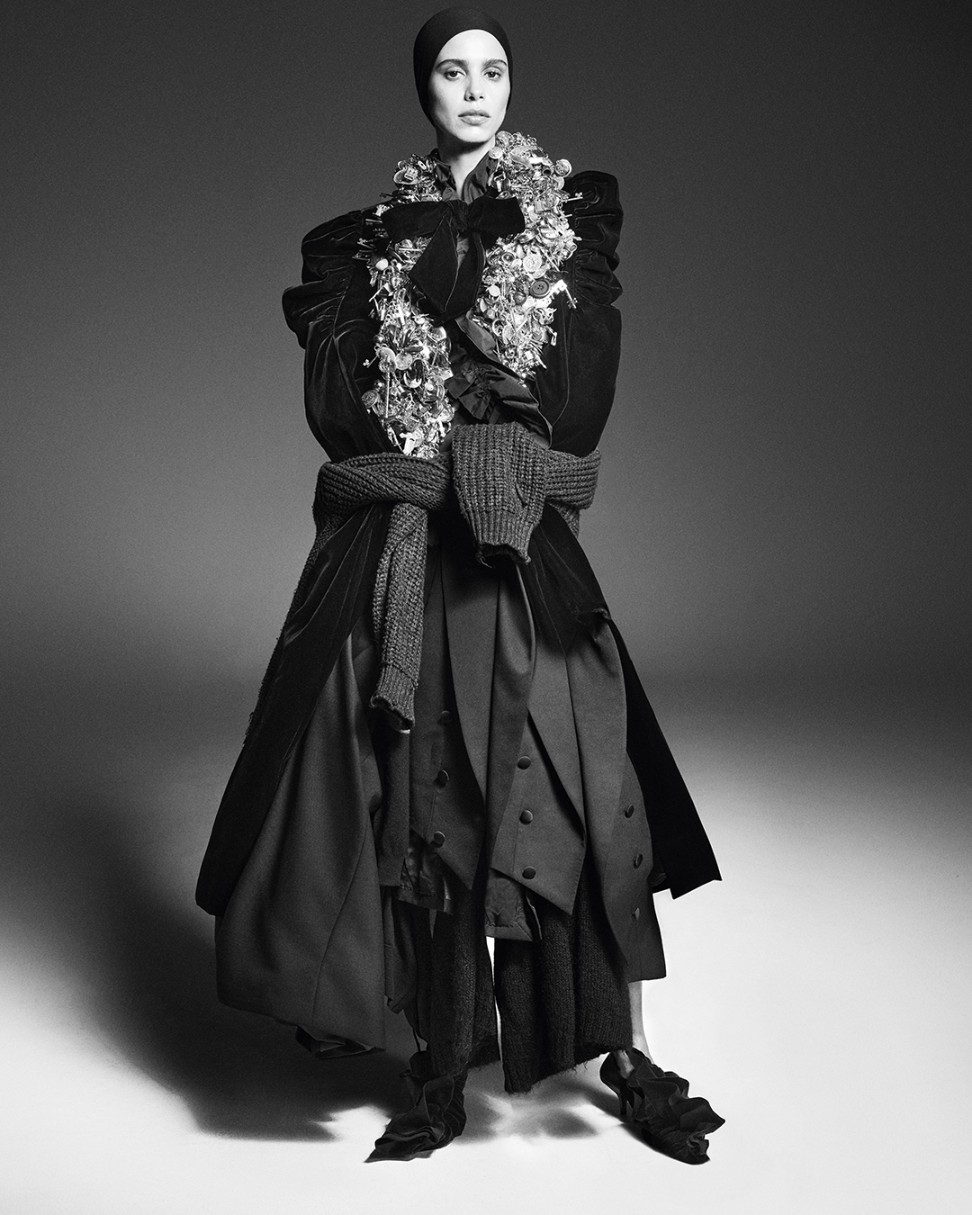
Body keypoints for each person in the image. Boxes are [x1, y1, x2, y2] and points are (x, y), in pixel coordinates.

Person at [195, 6, 725, 1164]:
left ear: (511, 86)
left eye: (493, 70)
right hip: (415, 544)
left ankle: (626, 1054)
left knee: (585, 789)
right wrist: (427, 414)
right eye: (451, 70)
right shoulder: (365, 243)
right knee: (428, 804)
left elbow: (575, 398)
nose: (474, 89)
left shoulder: (568, 219)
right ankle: (437, 1065)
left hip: (516, 541)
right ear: (422, 88)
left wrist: (488, 411)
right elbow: (344, 404)